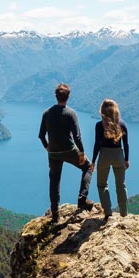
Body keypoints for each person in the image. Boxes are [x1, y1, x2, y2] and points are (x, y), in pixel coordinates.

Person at [39, 83, 94, 219]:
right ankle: (82, 199)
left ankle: (55, 214)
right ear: (68, 96)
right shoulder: (70, 113)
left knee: (54, 180)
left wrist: (48, 148)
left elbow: (41, 135)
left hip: (53, 154)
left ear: (56, 96)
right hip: (69, 150)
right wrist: (81, 153)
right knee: (88, 167)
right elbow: (77, 137)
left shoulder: (47, 113)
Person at [92, 98, 129, 220]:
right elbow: (126, 144)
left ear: (102, 111)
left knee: (102, 185)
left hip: (104, 155)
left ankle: (108, 212)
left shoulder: (99, 125)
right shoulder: (122, 124)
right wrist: (126, 159)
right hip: (119, 155)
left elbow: (97, 144)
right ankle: (124, 213)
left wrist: (93, 161)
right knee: (121, 184)